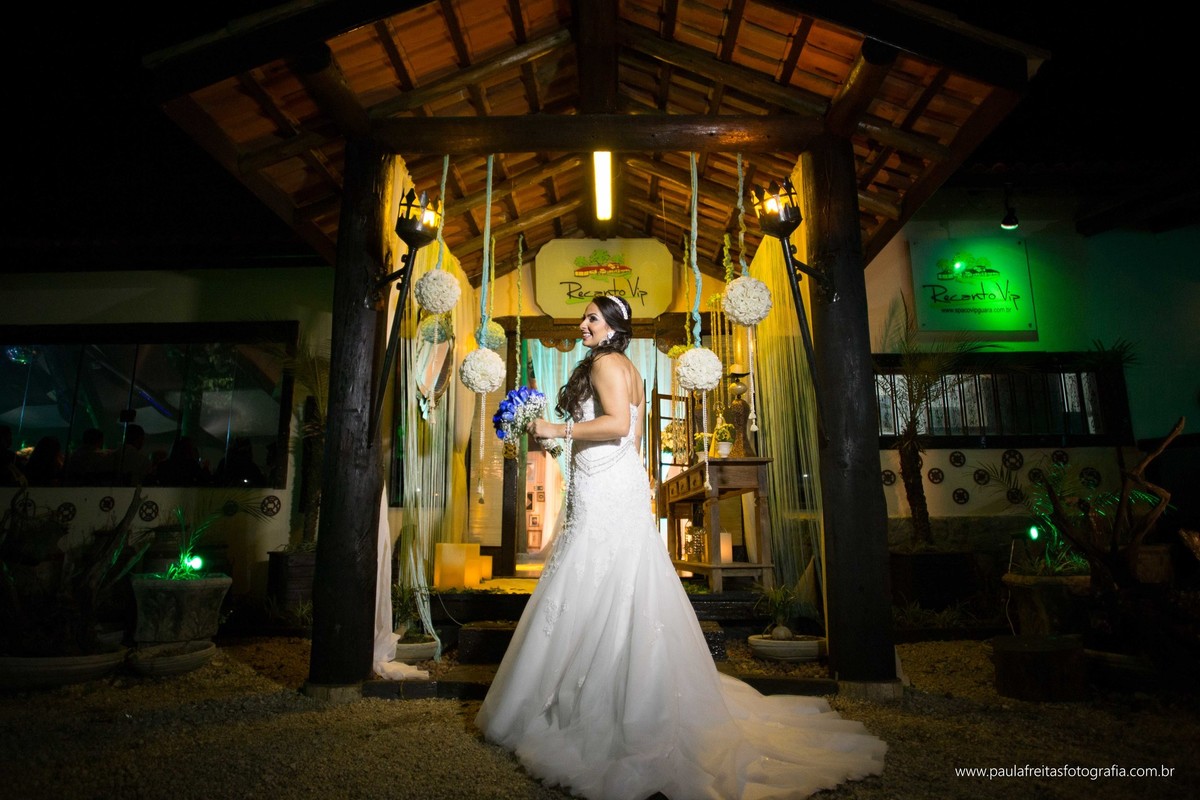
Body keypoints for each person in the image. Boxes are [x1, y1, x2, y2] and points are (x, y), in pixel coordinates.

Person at [475, 295, 887, 800]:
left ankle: (590, 702)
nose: (582, 323)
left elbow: (618, 425)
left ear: (612, 328)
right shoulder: (627, 368)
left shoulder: (606, 364)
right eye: (583, 316)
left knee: (594, 574)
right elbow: (631, 439)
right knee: (613, 579)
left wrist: (553, 428)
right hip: (612, 480)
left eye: (592, 318)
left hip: (606, 488)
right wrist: (583, 454)